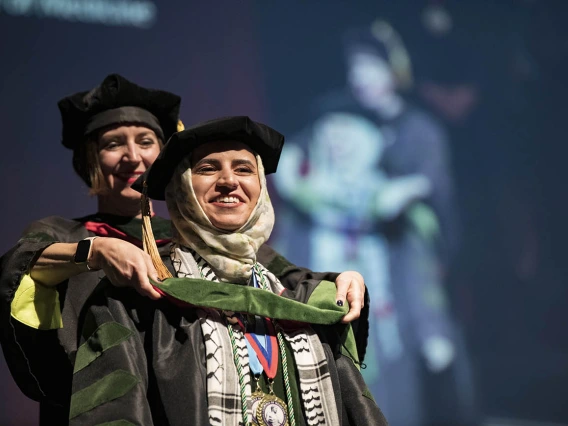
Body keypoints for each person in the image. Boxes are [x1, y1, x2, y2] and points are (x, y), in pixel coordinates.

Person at [0, 75, 367, 425]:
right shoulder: (66, 234)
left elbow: (284, 283)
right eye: (113, 144)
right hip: (98, 398)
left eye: (146, 142)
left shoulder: (199, 240)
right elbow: (17, 271)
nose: (132, 157)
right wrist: (93, 251)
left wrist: (339, 280)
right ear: (89, 160)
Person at [68, 115, 386, 425]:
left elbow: (356, 408)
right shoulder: (138, 293)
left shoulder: (304, 300)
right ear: (181, 190)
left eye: (244, 169)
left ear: (260, 186)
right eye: (207, 169)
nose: (229, 181)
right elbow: (113, 410)